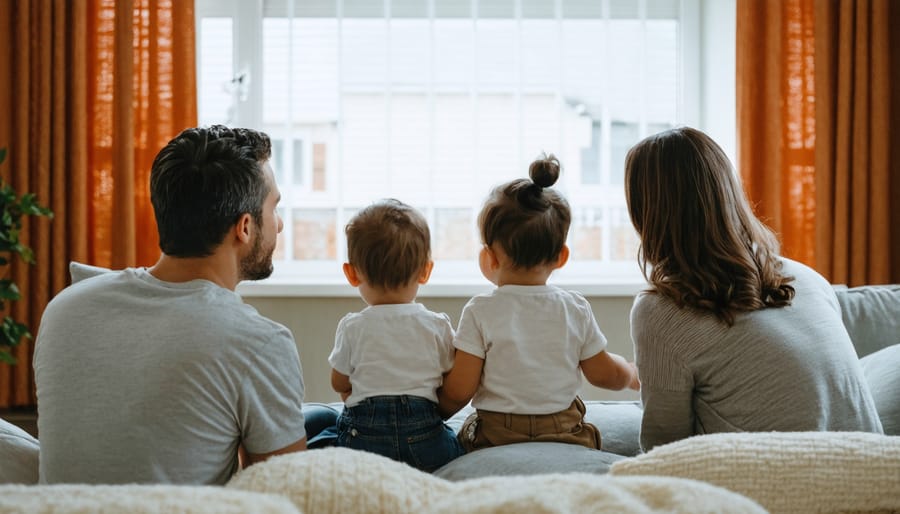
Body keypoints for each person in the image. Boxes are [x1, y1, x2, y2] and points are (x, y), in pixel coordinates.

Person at [34, 125, 319, 485]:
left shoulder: (64, 308)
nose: (278, 225)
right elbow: (284, 493)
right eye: (274, 207)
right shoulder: (258, 342)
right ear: (244, 227)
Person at [624, 126, 884, 452]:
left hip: (787, 487)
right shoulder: (806, 277)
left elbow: (664, 444)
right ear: (728, 190)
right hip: (878, 475)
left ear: (645, 212)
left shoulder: (660, 312)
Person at [439, 155, 640, 452]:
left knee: (465, 434)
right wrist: (632, 374)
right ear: (561, 256)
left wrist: (432, 416)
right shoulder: (574, 308)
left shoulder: (480, 311)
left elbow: (459, 390)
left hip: (496, 433)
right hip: (562, 429)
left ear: (489, 258)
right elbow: (604, 374)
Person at [327, 199, 465, 472]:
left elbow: (338, 381)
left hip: (364, 440)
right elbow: (453, 375)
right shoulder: (437, 325)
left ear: (351, 274)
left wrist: (352, 391)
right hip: (426, 438)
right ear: (426, 271)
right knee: (459, 446)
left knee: (325, 435)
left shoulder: (353, 327)